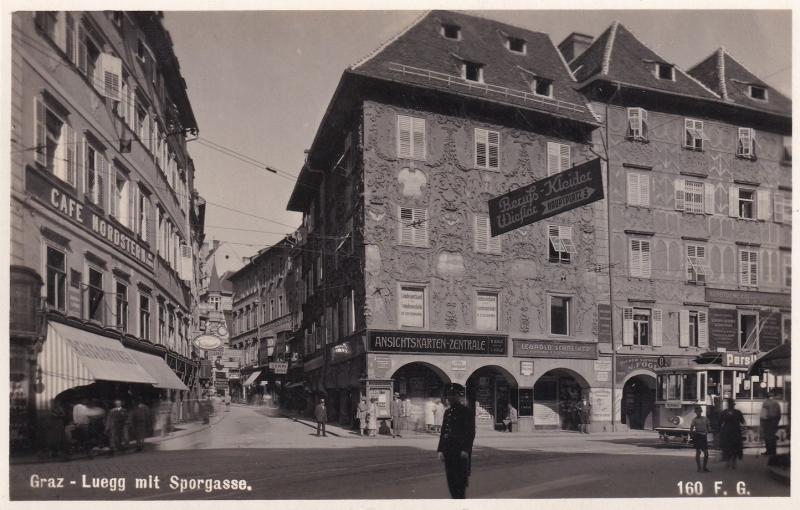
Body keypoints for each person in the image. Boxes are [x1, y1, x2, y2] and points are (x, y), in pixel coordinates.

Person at [437, 384, 475, 499]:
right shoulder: (447, 412)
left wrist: (465, 449)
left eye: (453, 395)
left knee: (460, 484)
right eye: (449, 395)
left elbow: (470, 432)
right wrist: (440, 450)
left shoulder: (466, 411)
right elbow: (444, 432)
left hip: (460, 452)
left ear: (459, 396)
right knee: (451, 481)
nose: (450, 397)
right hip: (449, 452)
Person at [719, 398, 745, 470]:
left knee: (728, 447)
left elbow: (720, 422)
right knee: (735, 447)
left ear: (728, 405)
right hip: (735, 431)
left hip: (727, 431)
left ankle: (728, 462)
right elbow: (742, 421)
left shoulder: (724, 412)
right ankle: (733, 462)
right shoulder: (738, 412)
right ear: (733, 405)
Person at [689, 406, 711, 473]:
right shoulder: (694, 420)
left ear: (701, 411)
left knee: (706, 453)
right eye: (697, 411)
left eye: (699, 411)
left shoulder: (705, 418)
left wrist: (709, 430)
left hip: (704, 436)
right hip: (697, 436)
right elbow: (691, 428)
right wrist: (692, 435)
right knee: (698, 452)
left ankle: (704, 467)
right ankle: (699, 468)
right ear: (695, 412)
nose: (698, 412)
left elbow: (708, 426)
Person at [760, 390, 782, 456]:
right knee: (772, 437)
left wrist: (762, 423)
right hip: (774, 421)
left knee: (767, 437)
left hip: (767, 421)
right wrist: (777, 422)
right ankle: (773, 452)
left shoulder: (766, 403)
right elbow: (779, 414)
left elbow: (763, 415)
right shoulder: (777, 403)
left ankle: (768, 451)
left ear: (766, 397)